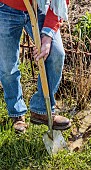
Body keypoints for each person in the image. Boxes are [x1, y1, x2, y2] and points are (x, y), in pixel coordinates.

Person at [0, 0, 71, 133]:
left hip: (39, 8)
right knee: (7, 66)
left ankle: (42, 110)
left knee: (56, 54)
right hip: (5, 9)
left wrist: (48, 36)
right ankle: (16, 113)